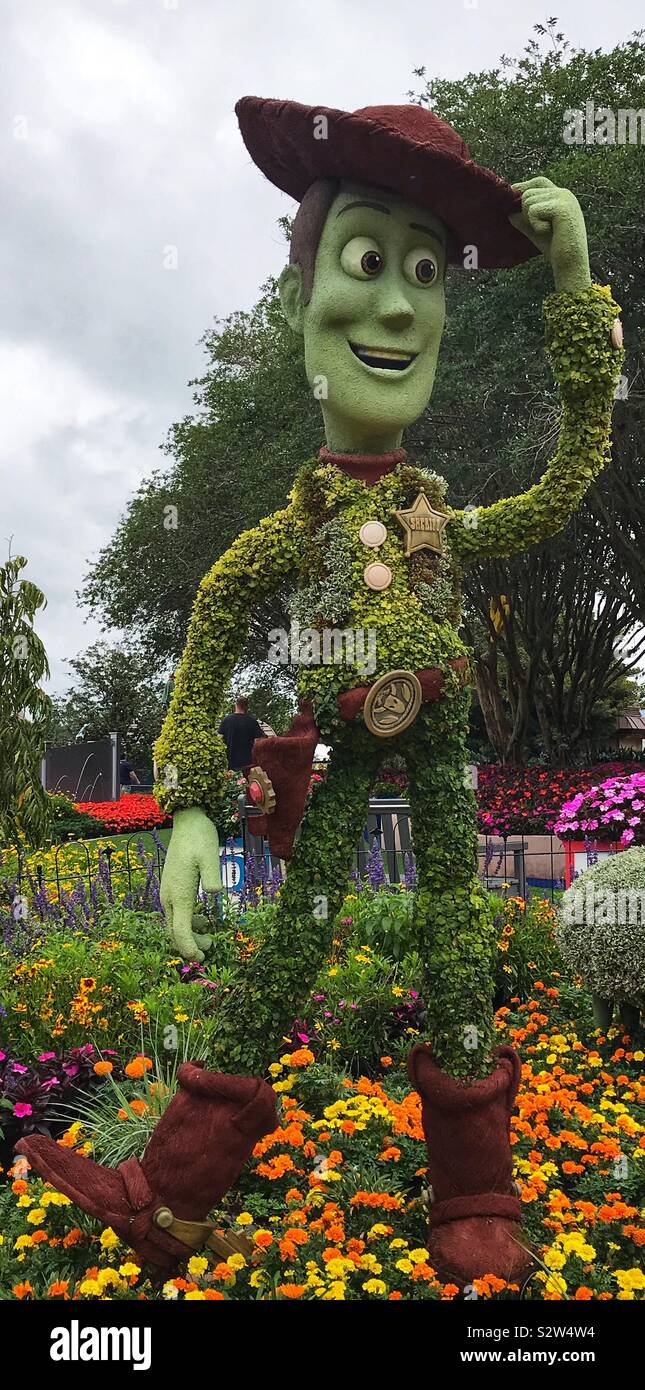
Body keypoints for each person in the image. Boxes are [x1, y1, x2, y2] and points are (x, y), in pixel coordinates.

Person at [20, 96, 623, 1284]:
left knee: (456, 937)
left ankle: (479, 1198)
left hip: (438, 746)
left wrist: (575, 289)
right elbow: (208, 634)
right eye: (365, 261)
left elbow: (562, 484)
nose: (399, 303)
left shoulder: (438, 515)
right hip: (341, 748)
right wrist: (193, 796)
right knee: (290, 948)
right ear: (305, 316)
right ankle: (176, 1196)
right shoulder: (289, 533)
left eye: (424, 272)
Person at [218, 696, 264, 771]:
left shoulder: (226, 720)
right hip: (248, 765)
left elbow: (219, 740)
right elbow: (258, 744)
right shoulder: (252, 722)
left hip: (229, 763)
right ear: (246, 707)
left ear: (236, 705)